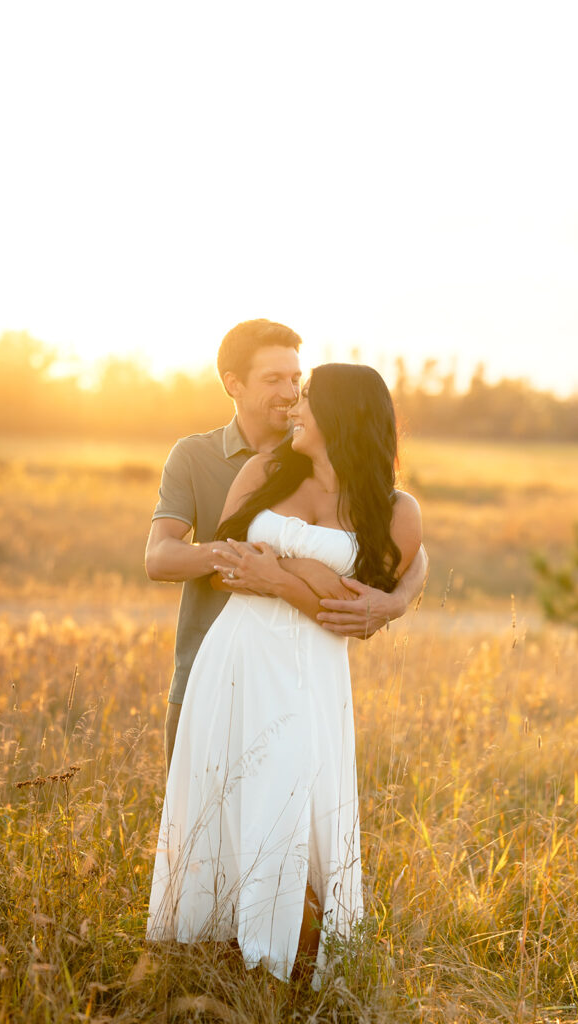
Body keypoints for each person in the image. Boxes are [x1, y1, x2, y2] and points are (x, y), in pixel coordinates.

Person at [146, 362, 423, 986]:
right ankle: (214, 944)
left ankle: (278, 960)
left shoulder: (396, 510)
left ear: (342, 418)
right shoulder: (267, 471)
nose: (295, 407)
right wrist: (304, 577)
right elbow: (228, 565)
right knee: (230, 788)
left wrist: (280, 576)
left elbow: (355, 608)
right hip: (239, 654)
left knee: (291, 793)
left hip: (313, 670)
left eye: (308, 398)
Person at [145, 319, 428, 773]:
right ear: (232, 384)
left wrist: (396, 601)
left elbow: (399, 548)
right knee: (199, 824)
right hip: (208, 661)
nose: (291, 394)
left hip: (303, 668)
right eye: (273, 379)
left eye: (297, 379)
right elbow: (159, 558)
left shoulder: (320, 458)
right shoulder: (198, 457)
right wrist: (281, 567)